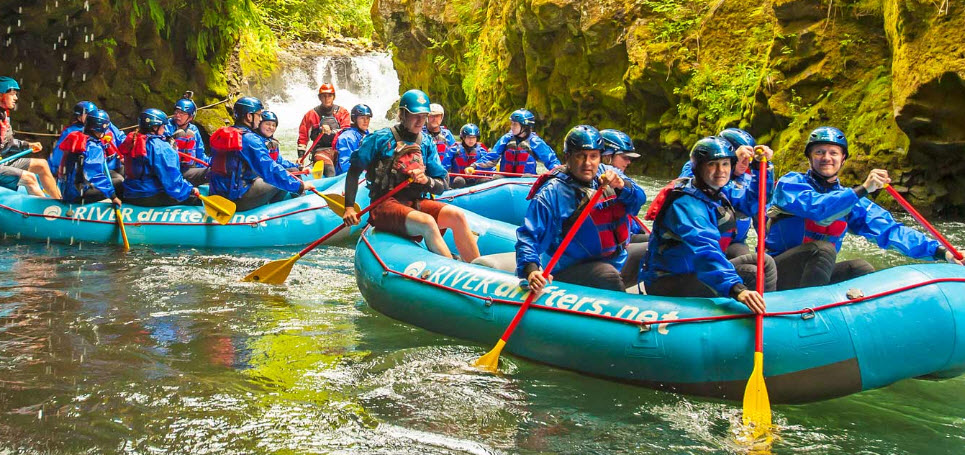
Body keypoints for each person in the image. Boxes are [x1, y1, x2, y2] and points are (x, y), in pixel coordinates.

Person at [766, 126, 963, 290]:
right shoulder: (790, 184)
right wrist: (864, 189)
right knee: (823, 250)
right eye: (819, 152)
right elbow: (819, 210)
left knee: (860, 267)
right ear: (810, 157)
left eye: (833, 153)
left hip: (815, 274)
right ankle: (807, 311)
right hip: (777, 273)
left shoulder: (853, 200)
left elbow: (889, 231)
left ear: (843, 159)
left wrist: (941, 252)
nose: (827, 157)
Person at [341, 89, 479, 262]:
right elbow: (354, 170)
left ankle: (478, 270)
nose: (421, 121)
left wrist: (426, 180)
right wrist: (349, 208)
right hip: (384, 205)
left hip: (415, 203)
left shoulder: (426, 142)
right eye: (415, 115)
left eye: (424, 116)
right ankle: (455, 271)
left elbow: (442, 184)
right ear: (402, 114)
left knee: (457, 216)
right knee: (427, 222)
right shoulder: (380, 138)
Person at [641, 136, 775, 313]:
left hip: (695, 271)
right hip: (670, 280)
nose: (721, 170)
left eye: (726, 164)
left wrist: (760, 168)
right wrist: (737, 290)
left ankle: (770, 309)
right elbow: (705, 249)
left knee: (764, 261)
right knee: (750, 273)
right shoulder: (686, 204)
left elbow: (754, 203)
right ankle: (759, 315)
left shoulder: (718, 190)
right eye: (712, 164)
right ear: (698, 167)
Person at [516, 125, 647, 293]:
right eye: (580, 156)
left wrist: (622, 186)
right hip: (569, 269)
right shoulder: (552, 192)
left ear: (601, 157)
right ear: (568, 157)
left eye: (593, 156)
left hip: (614, 260)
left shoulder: (611, 174)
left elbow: (640, 199)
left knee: (650, 251)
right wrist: (531, 269)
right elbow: (528, 236)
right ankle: (622, 315)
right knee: (608, 275)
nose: (588, 163)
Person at [678, 128, 774, 259]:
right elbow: (691, 186)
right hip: (701, 243)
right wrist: (730, 161)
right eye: (742, 156)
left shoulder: (749, 180)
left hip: (733, 243)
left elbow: (756, 203)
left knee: (753, 262)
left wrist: (760, 166)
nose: (745, 162)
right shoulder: (698, 168)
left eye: (749, 157)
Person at [208, 97, 313, 211]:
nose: (260, 119)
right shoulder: (249, 139)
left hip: (218, 195)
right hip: (236, 200)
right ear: (249, 116)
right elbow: (270, 170)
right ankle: (284, 211)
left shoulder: (226, 133)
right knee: (290, 173)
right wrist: (300, 186)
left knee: (283, 174)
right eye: (258, 115)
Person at [119, 108, 201, 207]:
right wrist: (189, 190)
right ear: (154, 127)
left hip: (130, 192)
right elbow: (171, 179)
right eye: (162, 126)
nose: (164, 129)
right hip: (149, 194)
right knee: (195, 199)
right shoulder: (160, 147)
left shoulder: (132, 139)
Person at [0, 76, 63, 198]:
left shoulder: (4, 115)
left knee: (42, 165)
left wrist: (27, 145)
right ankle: (43, 213)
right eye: (12, 94)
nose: (16, 98)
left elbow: (8, 142)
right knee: (30, 178)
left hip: (2, 161)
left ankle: (59, 203)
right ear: (1, 95)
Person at [57, 109, 122, 205]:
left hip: (67, 189)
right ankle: (122, 207)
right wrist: (113, 196)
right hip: (79, 193)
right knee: (120, 182)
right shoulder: (93, 146)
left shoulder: (81, 138)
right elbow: (95, 175)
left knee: (115, 176)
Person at [471, 109, 561, 175]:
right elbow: (492, 156)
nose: (511, 127)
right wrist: (474, 166)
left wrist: (558, 173)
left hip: (526, 180)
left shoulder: (535, 142)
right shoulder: (506, 139)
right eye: (511, 123)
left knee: (527, 177)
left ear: (525, 127)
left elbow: (550, 160)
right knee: (497, 178)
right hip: (505, 178)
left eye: (515, 124)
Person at [52, 101, 126, 178]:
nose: (93, 116)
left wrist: (126, 153)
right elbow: (60, 154)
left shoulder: (104, 122)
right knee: (119, 181)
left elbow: (120, 137)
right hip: (97, 169)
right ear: (79, 116)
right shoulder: (72, 132)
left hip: (115, 163)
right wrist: (56, 171)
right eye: (88, 114)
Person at [297, 83, 350, 176]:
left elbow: (347, 132)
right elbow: (303, 137)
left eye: (329, 96)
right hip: (320, 151)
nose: (326, 98)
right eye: (324, 96)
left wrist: (331, 132)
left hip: (339, 150)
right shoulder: (311, 115)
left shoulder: (342, 112)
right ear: (319, 97)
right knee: (330, 172)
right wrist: (301, 157)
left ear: (334, 97)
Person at [165, 96, 209, 186]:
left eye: (182, 113)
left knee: (211, 172)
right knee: (180, 134)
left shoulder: (194, 129)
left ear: (190, 117)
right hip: (171, 171)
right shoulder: (166, 126)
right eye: (176, 112)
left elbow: (200, 153)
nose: (177, 115)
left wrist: (211, 164)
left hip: (188, 169)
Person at [446, 123, 487, 189]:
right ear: (463, 138)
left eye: (473, 138)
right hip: (459, 181)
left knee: (484, 181)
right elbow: (445, 166)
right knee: (459, 180)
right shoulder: (454, 150)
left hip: (476, 182)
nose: (471, 140)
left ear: (477, 138)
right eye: (468, 137)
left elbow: (489, 166)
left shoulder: (482, 151)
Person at [333, 104, 372, 175]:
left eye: (367, 118)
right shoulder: (347, 137)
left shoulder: (366, 134)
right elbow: (345, 164)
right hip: (345, 175)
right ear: (354, 119)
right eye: (362, 118)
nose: (365, 121)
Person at [424, 103, 456, 168]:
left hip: (444, 169)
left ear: (441, 117)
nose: (435, 119)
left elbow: (455, 153)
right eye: (432, 116)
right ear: (427, 117)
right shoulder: (421, 134)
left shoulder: (447, 134)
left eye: (437, 116)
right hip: (425, 169)